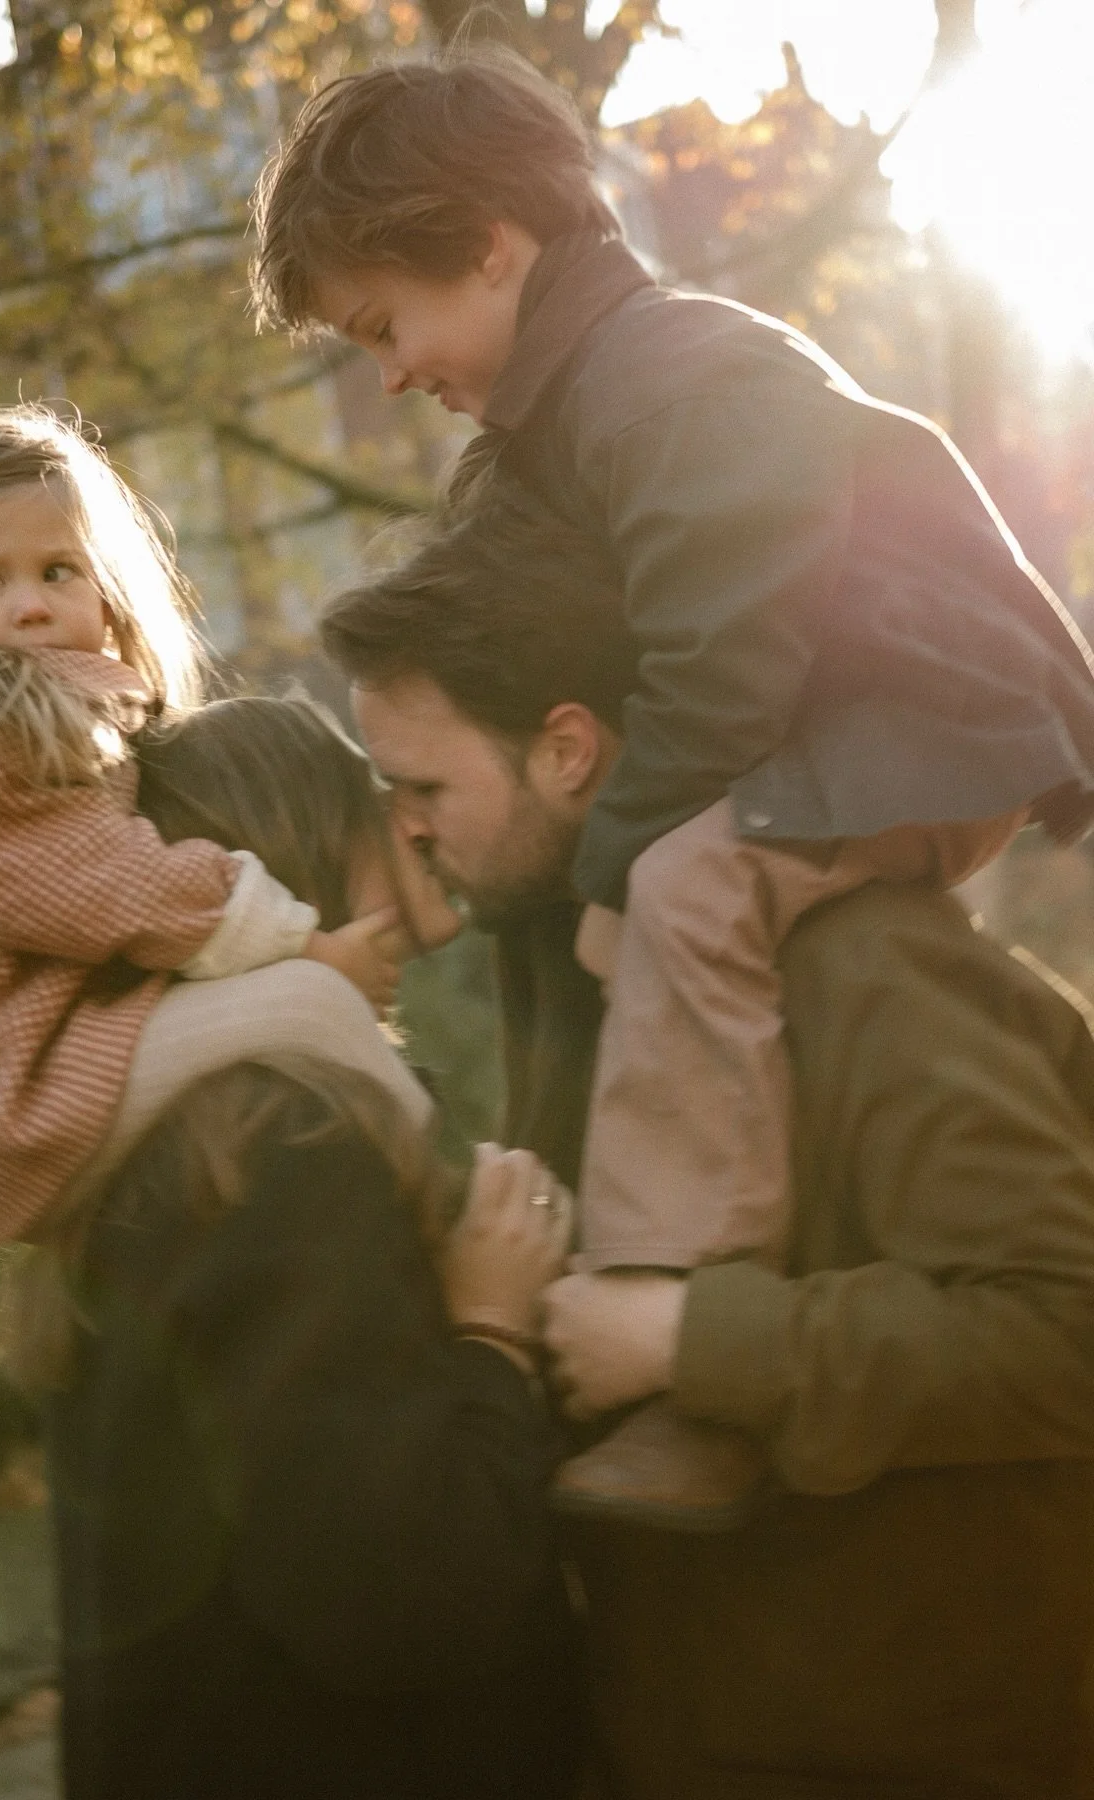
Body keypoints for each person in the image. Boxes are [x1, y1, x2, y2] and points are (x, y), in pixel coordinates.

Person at [252, 48, 1094, 1521]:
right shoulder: (576, 410)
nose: (387, 373)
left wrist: (615, 857)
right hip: (854, 730)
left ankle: (669, 1320)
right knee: (633, 908)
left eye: (389, 324)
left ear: (492, 247)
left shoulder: (668, 373)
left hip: (917, 722)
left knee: (673, 895)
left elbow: (724, 657)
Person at [320, 515, 1094, 1797]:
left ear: (567, 748)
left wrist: (691, 1341)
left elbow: (1067, 1329)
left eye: (424, 788)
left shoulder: (869, 969)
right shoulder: (584, 971)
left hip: (924, 1752)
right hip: (697, 1735)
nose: (402, 828)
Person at [0, 693, 583, 1800]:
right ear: (280, 868)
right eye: (369, 802)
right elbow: (399, 1596)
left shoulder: (161, 1151)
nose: (407, 831)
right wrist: (494, 1329)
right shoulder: (289, 1157)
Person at [0, 405, 401, 1251]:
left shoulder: (53, 713)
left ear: (105, 586)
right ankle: (449, 1217)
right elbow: (115, 884)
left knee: (303, 1033)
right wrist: (308, 948)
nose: (28, 605)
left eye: (59, 570)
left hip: (61, 1049)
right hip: (8, 1097)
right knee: (315, 1007)